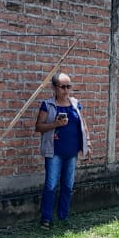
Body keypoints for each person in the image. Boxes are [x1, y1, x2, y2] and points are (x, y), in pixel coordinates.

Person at [34, 72, 89, 229]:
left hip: (72, 152)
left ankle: (63, 216)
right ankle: (46, 218)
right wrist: (55, 125)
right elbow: (38, 127)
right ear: (54, 87)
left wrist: (88, 143)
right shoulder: (48, 105)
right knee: (51, 185)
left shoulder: (75, 104)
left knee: (68, 185)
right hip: (54, 152)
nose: (66, 90)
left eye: (68, 86)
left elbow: (83, 125)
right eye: (62, 87)